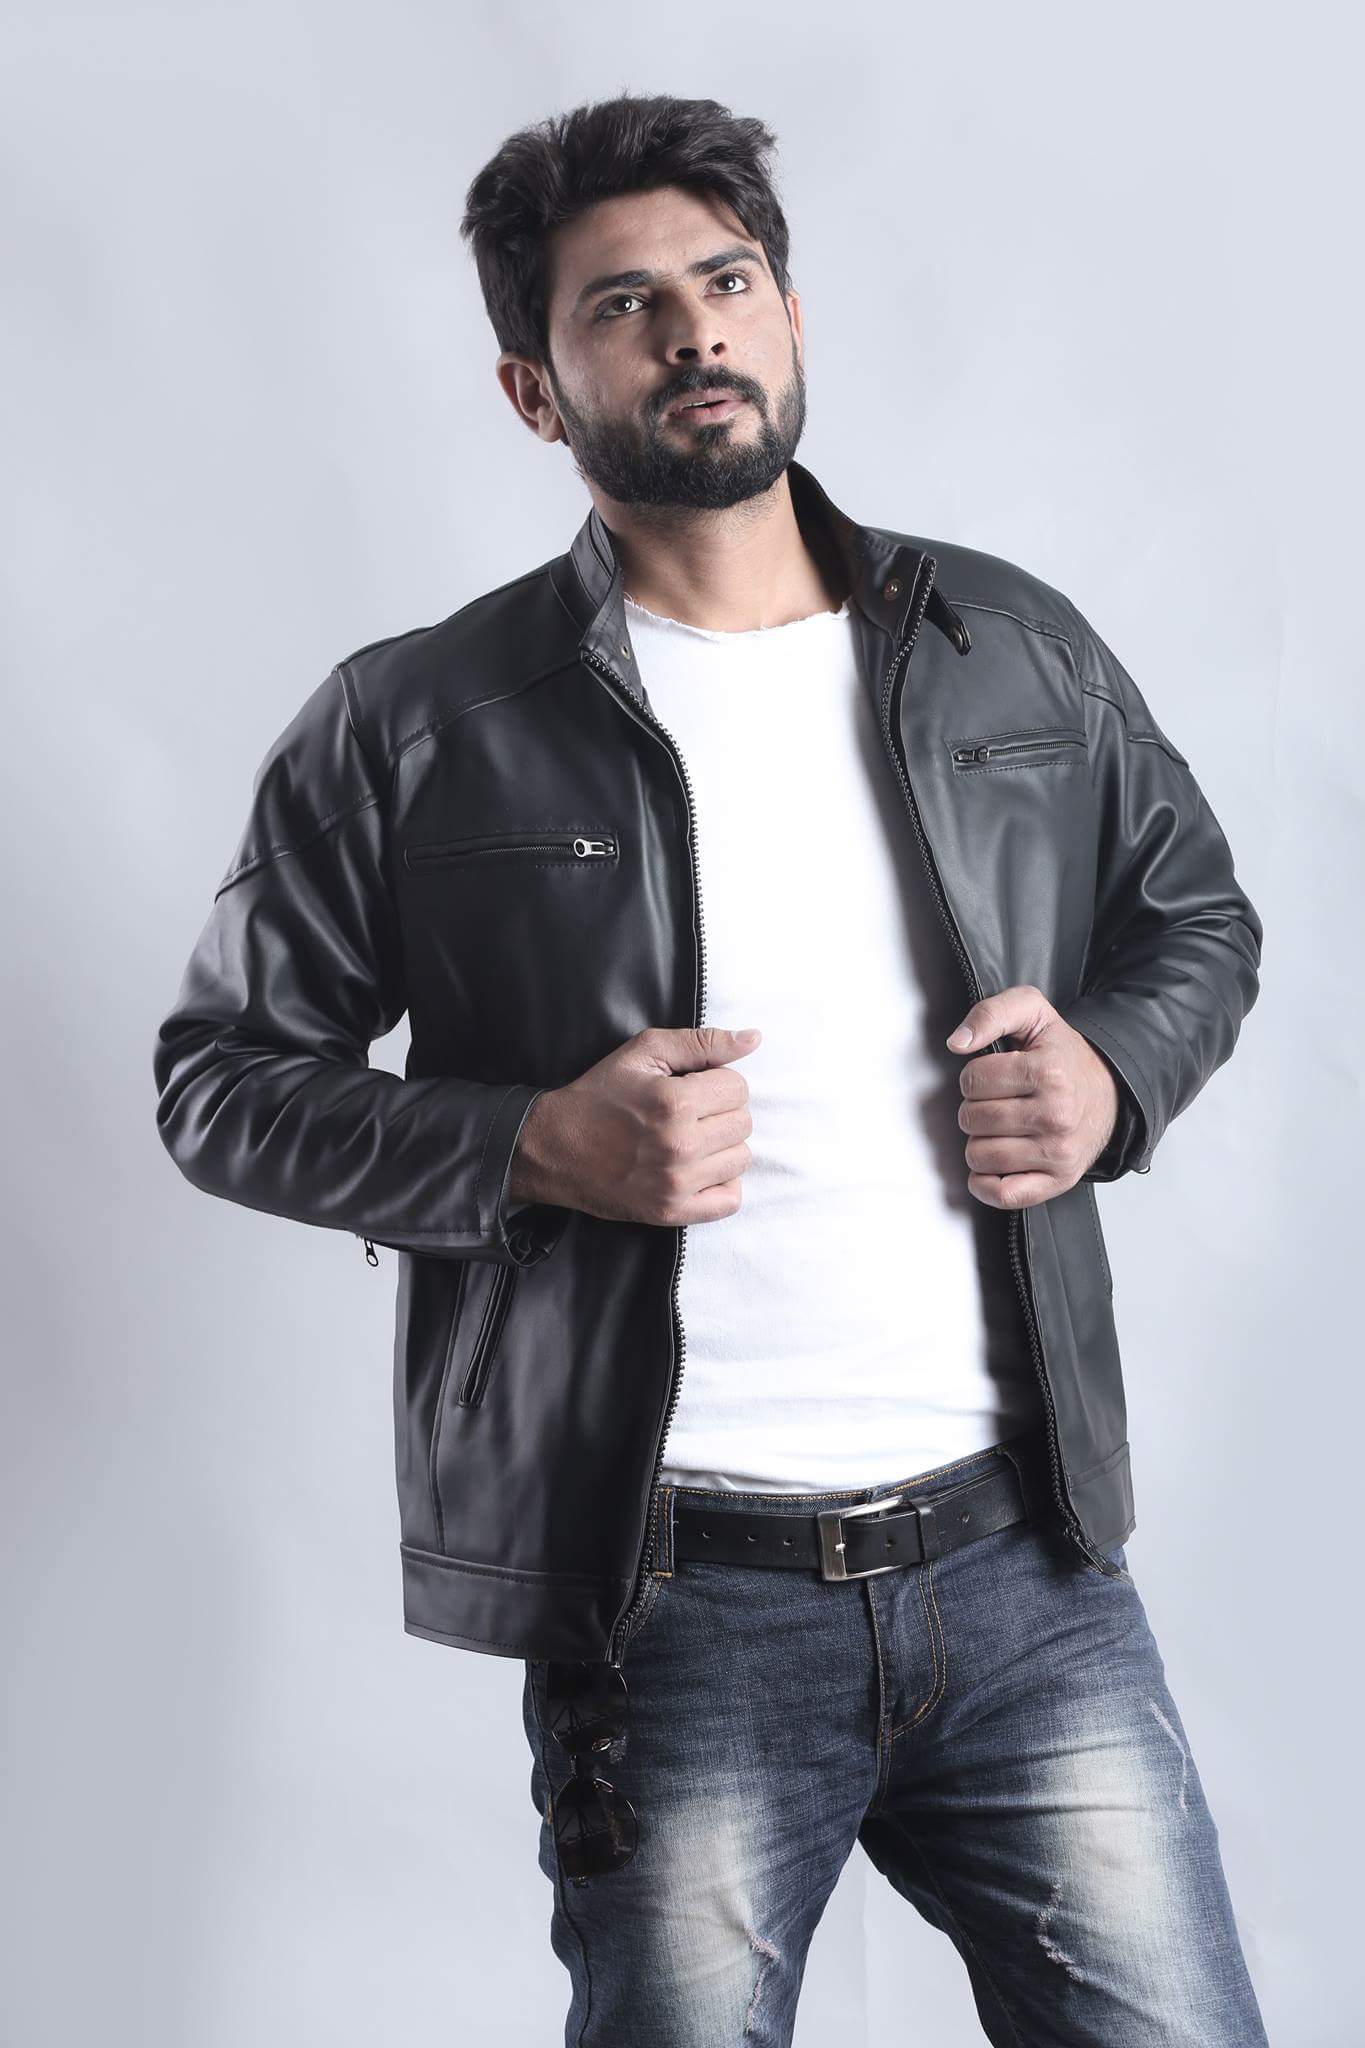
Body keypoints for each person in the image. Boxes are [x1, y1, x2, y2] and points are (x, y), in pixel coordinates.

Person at [154, 91, 1270, 2046]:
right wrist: (529, 1144)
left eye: (727, 280)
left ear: (790, 314)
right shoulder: (416, 721)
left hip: (1027, 1564)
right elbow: (221, 1078)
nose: (692, 331)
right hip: (671, 1606)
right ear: (533, 389)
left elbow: (1193, 919)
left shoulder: (1006, 644)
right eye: (622, 305)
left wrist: (1110, 1073)